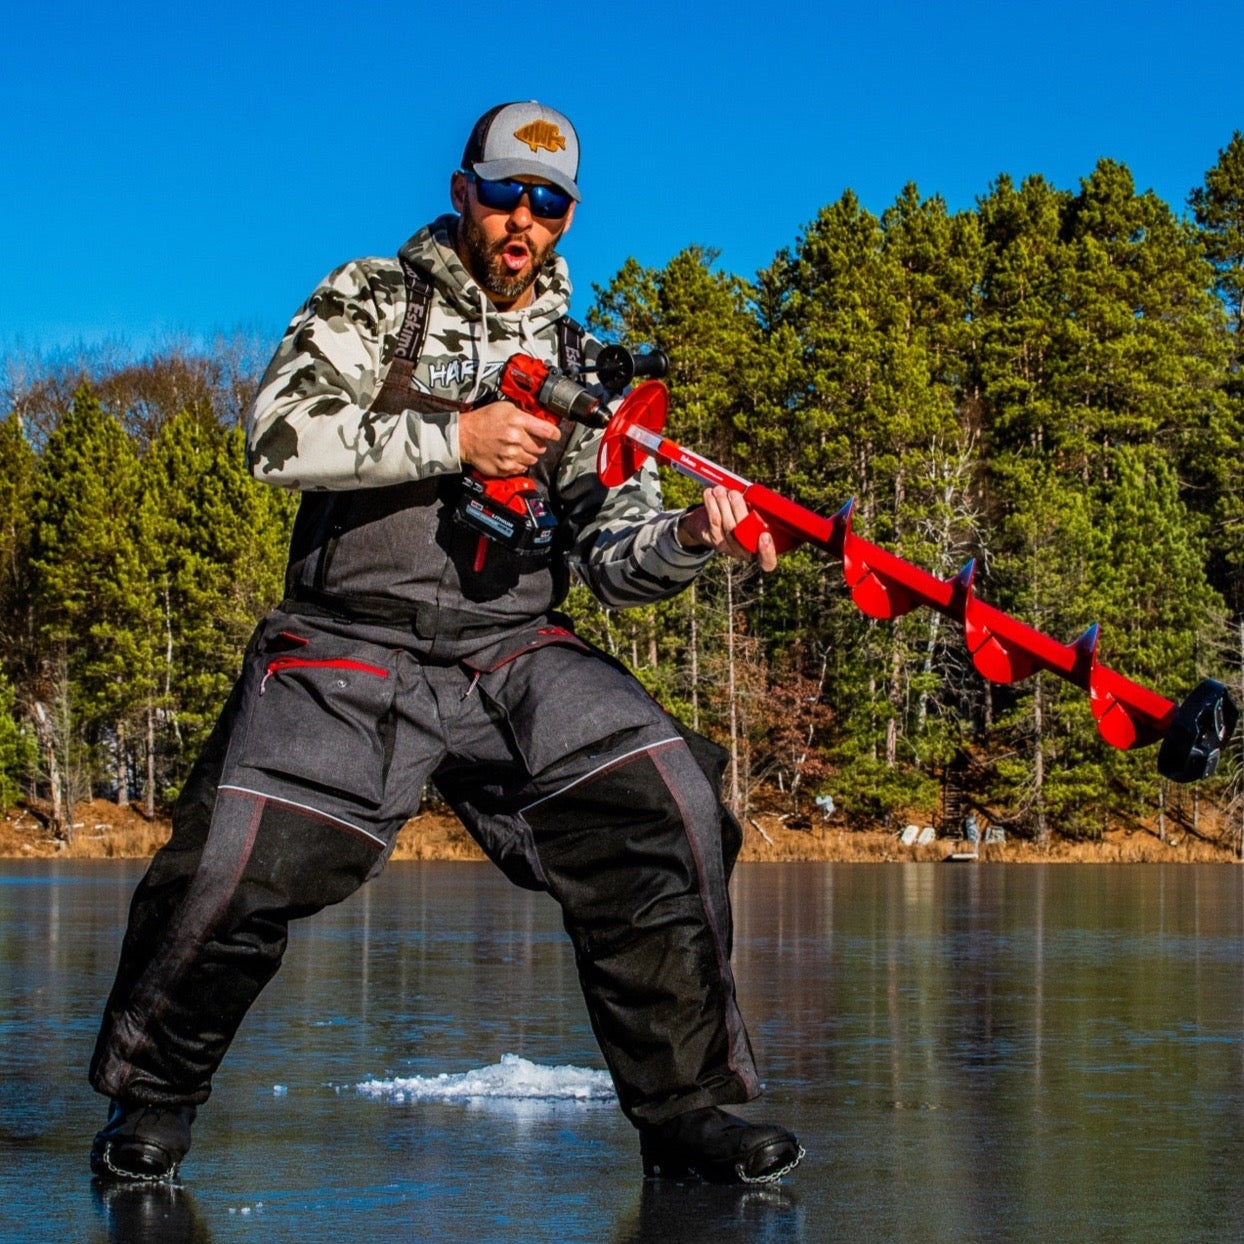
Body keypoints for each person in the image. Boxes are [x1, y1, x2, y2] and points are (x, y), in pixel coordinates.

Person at [88, 101, 802, 1187]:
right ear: (465, 187)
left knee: (665, 798)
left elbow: (615, 559)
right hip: (346, 640)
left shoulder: (580, 363)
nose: (524, 218)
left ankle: (686, 1112)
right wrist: (452, 436)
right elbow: (275, 434)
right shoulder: (374, 297)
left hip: (510, 648)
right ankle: (156, 1097)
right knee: (237, 857)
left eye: (548, 202)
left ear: (568, 217)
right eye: (506, 191)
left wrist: (690, 538)